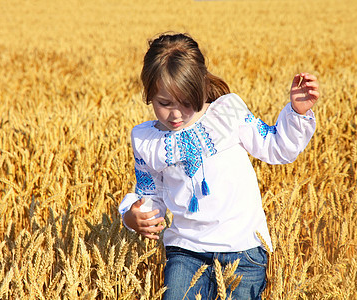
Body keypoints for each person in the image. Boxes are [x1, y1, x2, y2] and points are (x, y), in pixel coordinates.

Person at [118, 32, 319, 299]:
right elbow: (150, 193)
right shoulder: (146, 140)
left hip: (243, 249)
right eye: (164, 104)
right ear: (148, 95)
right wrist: (132, 216)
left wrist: (297, 112)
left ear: (200, 87)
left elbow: (276, 147)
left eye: (186, 103)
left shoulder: (227, 113)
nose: (175, 114)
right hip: (186, 251)